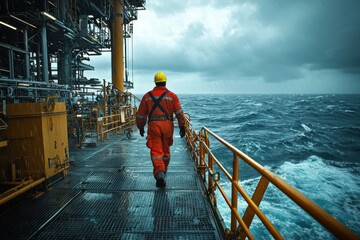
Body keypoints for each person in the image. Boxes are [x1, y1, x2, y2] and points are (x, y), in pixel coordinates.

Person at [136, 71, 186, 188]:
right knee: (166, 150)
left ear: (155, 82)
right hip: (168, 125)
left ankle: (159, 173)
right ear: (165, 82)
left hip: (154, 125)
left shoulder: (147, 96)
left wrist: (141, 126)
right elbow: (179, 113)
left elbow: (141, 115)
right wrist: (182, 126)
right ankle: (163, 171)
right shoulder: (172, 96)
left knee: (156, 150)